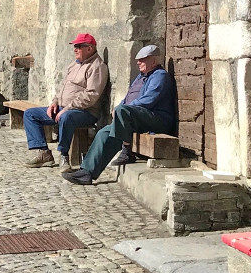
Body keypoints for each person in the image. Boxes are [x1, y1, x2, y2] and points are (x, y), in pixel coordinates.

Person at [63, 44, 176, 185]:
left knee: (123, 111)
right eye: (138, 59)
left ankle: (127, 150)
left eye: (142, 59)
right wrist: (119, 106)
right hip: (137, 117)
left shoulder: (160, 76)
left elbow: (149, 100)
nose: (138, 62)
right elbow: (128, 97)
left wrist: (122, 109)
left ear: (153, 61)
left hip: (156, 119)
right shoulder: (141, 77)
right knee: (103, 133)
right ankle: (87, 172)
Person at [23, 33, 109, 173]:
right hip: (64, 108)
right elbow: (63, 88)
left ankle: (64, 156)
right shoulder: (74, 65)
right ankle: (44, 153)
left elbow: (92, 95)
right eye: (75, 46)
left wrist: (67, 108)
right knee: (30, 114)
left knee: (66, 117)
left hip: (85, 112)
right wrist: (54, 102)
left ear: (90, 48)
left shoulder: (97, 67)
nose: (75, 49)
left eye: (79, 46)